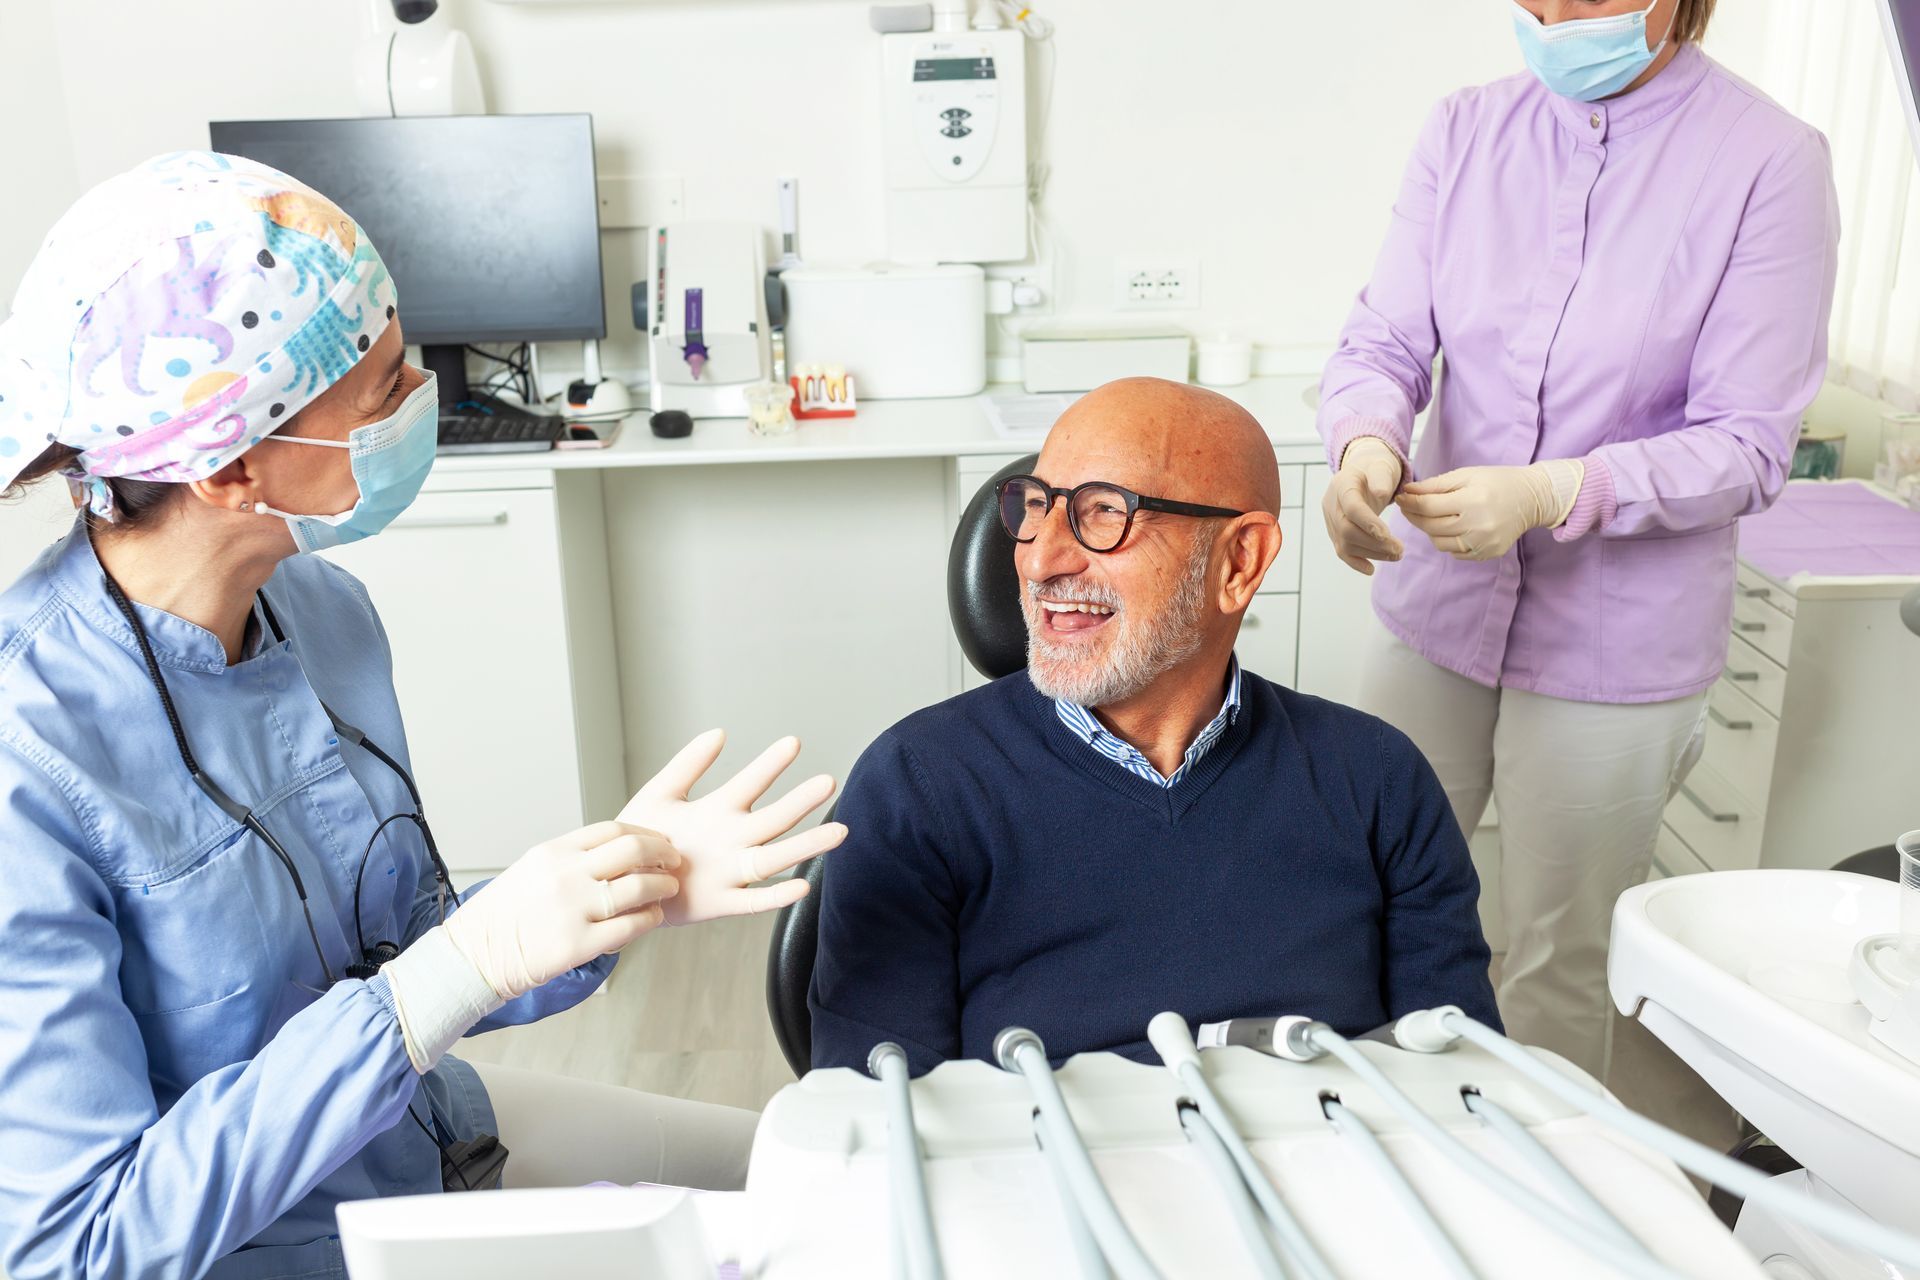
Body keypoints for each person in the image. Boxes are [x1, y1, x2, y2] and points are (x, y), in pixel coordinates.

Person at [0, 153, 845, 1280]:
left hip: (425, 1132)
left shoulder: (319, 611)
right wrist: (456, 971)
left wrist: (619, 888)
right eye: (386, 381)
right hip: (279, 1246)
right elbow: (76, 1245)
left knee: (824, 1188)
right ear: (232, 468)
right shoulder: (30, 759)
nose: (422, 403)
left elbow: (416, 947)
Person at [1316, 0, 1839, 1077]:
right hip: (1437, 613)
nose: (1556, 16)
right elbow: (1385, 339)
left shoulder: (1769, 162)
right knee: (1353, 902)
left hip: (1617, 648)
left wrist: (1562, 488)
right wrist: (1364, 440)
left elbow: (1747, 444)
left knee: (1556, 960)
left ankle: (1527, 1202)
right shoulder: (1465, 133)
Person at [809, 377, 1499, 1075]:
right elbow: (874, 1122)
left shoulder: (1378, 780)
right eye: (1038, 507)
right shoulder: (918, 787)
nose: (1041, 560)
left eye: (1105, 512)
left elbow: (1463, 1078)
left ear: (1240, 561)